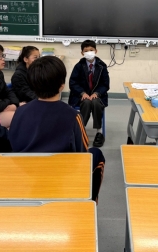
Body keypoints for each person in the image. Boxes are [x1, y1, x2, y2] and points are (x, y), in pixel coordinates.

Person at [9, 56, 105, 203]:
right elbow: (82, 153)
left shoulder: (20, 111)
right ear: (62, 86)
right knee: (97, 154)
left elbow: (13, 143)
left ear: (33, 84)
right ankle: (89, 202)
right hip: (61, 174)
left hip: (26, 170)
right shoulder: (73, 116)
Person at [68, 40, 110, 148]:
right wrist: (82, 93)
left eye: (91, 50)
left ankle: (99, 132)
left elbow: (105, 84)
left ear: (96, 51)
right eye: (86, 51)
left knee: (96, 103)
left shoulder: (102, 66)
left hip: (98, 96)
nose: (89, 52)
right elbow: (73, 83)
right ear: (82, 53)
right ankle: (81, 130)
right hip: (81, 96)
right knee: (86, 102)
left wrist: (97, 93)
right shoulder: (78, 66)